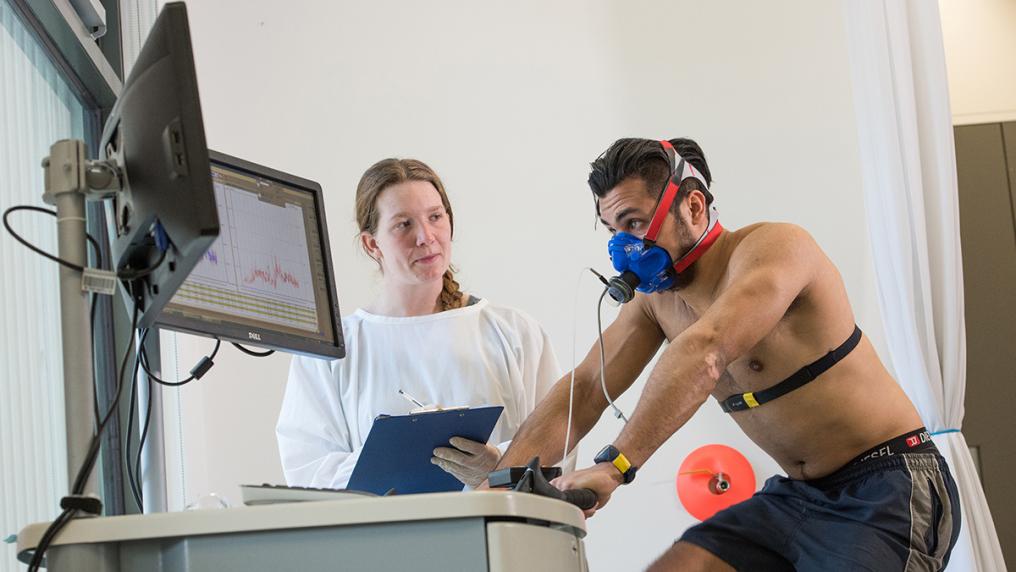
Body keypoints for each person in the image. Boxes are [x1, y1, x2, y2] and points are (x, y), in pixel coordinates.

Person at [492, 138, 961, 571]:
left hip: (888, 483)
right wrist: (491, 493)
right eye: (613, 230)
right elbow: (588, 388)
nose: (624, 249)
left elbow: (706, 350)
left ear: (693, 206)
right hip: (799, 496)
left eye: (634, 223)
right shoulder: (655, 304)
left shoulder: (775, 248)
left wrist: (614, 466)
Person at [277, 157, 567, 489]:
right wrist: (400, 452)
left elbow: (560, 440)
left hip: (499, 520)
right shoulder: (333, 350)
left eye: (435, 217)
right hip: (384, 524)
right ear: (372, 244)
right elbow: (308, 470)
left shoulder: (514, 332)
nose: (426, 237)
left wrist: (501, 465)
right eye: (404, 224)